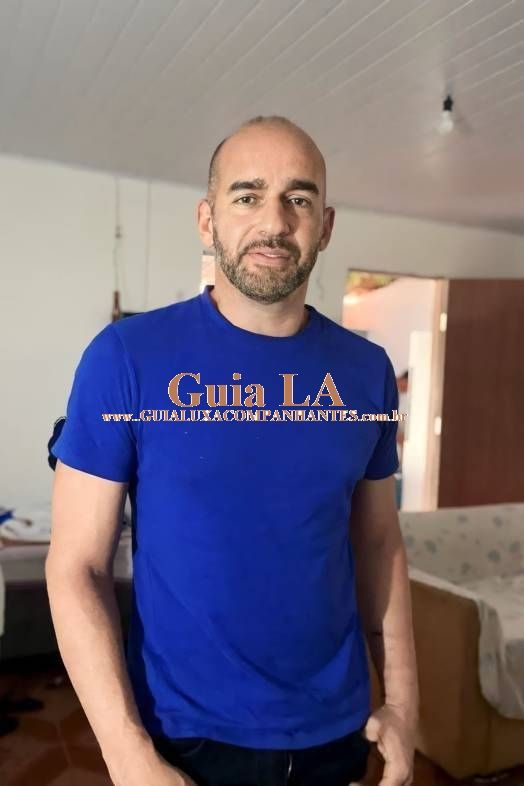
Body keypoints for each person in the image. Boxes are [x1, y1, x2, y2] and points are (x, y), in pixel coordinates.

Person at [47, 115, 418, 786]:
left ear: (325, 226)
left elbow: (380, 543)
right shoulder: (125, 358)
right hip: (185, 739)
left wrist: (403, 702)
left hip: (337, 731)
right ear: (206, 219)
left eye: (299, 198)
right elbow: (76, 566)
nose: (274, 221)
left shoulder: (367, 373)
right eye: (248, 195)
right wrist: (126, 753)